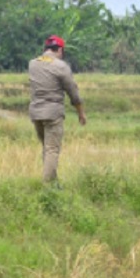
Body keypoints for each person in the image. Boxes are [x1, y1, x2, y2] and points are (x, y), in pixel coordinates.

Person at [28, 35, 86, 185]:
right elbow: (73, 91)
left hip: (36, 112)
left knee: (47, 149)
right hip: (53, 113)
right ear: (60, 50)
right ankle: (47, 187)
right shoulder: (61, 66)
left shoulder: (33, 64)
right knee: (52, 149)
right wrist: (80, 112)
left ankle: (54, 182)